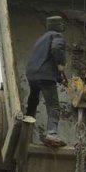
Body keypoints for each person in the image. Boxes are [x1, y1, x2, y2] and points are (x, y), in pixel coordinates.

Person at [25, 16, 68, 147]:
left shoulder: (40, 39)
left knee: (33, 102)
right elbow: (56, 49)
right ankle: (52, 133)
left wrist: (60, 79)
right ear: (57, 25)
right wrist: (61, 64)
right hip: (45, 76)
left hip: (32, 74)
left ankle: (26, 129)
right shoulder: (57, 36)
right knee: (53, 106)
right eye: (61, 23)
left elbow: (44, 60)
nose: (62, 26)